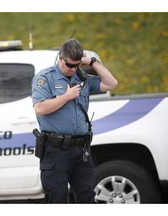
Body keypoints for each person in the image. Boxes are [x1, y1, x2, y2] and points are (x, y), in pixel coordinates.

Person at [31, 38, 118, 203]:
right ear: (60, 58)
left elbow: (112, 84)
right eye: (69, 65)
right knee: (57, 199)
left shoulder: (82, 78)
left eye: (77, 65)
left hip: (81, 150)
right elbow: (40, 108)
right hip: (56, 151)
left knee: (87, 198)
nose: (73, 69)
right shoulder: (45, 78)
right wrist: (66, 97)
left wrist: (92, 62)